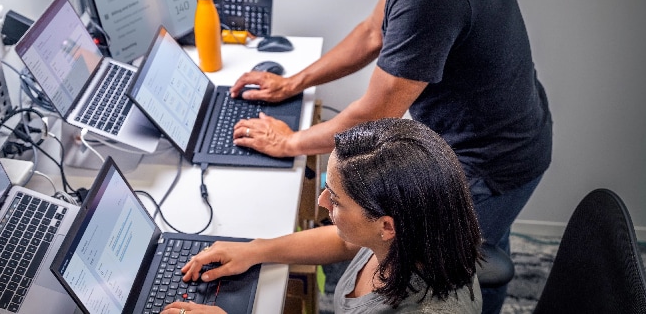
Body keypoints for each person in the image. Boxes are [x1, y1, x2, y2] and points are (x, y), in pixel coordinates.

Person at [229, 0, 553, 312]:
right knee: (480, 253)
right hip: (499, 132)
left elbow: (372, 115)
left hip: (489, 158)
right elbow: (370, 35)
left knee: (453, 269)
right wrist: (294, 81)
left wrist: (290, 142)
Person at [162, 118, 483, 314]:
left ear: (387, 226)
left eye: (337, 201)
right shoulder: (409, 233)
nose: (322, 201)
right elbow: (345, 242)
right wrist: (256, 249)